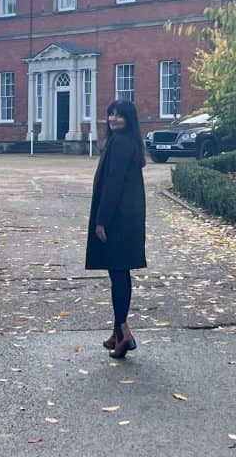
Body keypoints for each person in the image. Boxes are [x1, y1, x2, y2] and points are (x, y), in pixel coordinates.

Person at [85, 100, 147, 359]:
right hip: (128, 217)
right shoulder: (124, 141)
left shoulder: (120, 143)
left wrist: (102, 220)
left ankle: (124, 332)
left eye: (120, 116)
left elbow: (113, 183)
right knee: (120, 273)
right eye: (111, 114)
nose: (114, 119)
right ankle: (117, 332)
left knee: (119, 274)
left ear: (128, 119)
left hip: (119, 218)